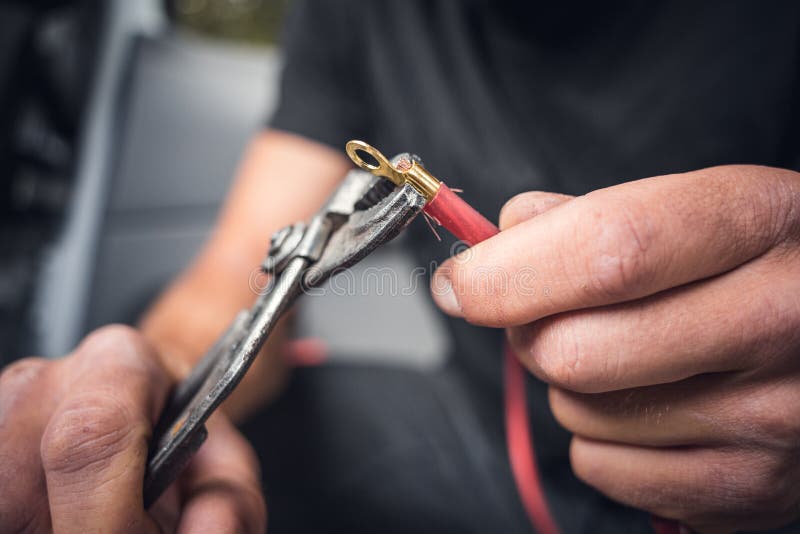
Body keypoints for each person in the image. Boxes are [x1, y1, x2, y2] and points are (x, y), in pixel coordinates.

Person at [1, 1, 799, 532]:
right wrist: (142, 389)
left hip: (744, 490)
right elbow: (236, 276)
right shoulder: (359, 14)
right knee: (220, 455)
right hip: (471, 436)